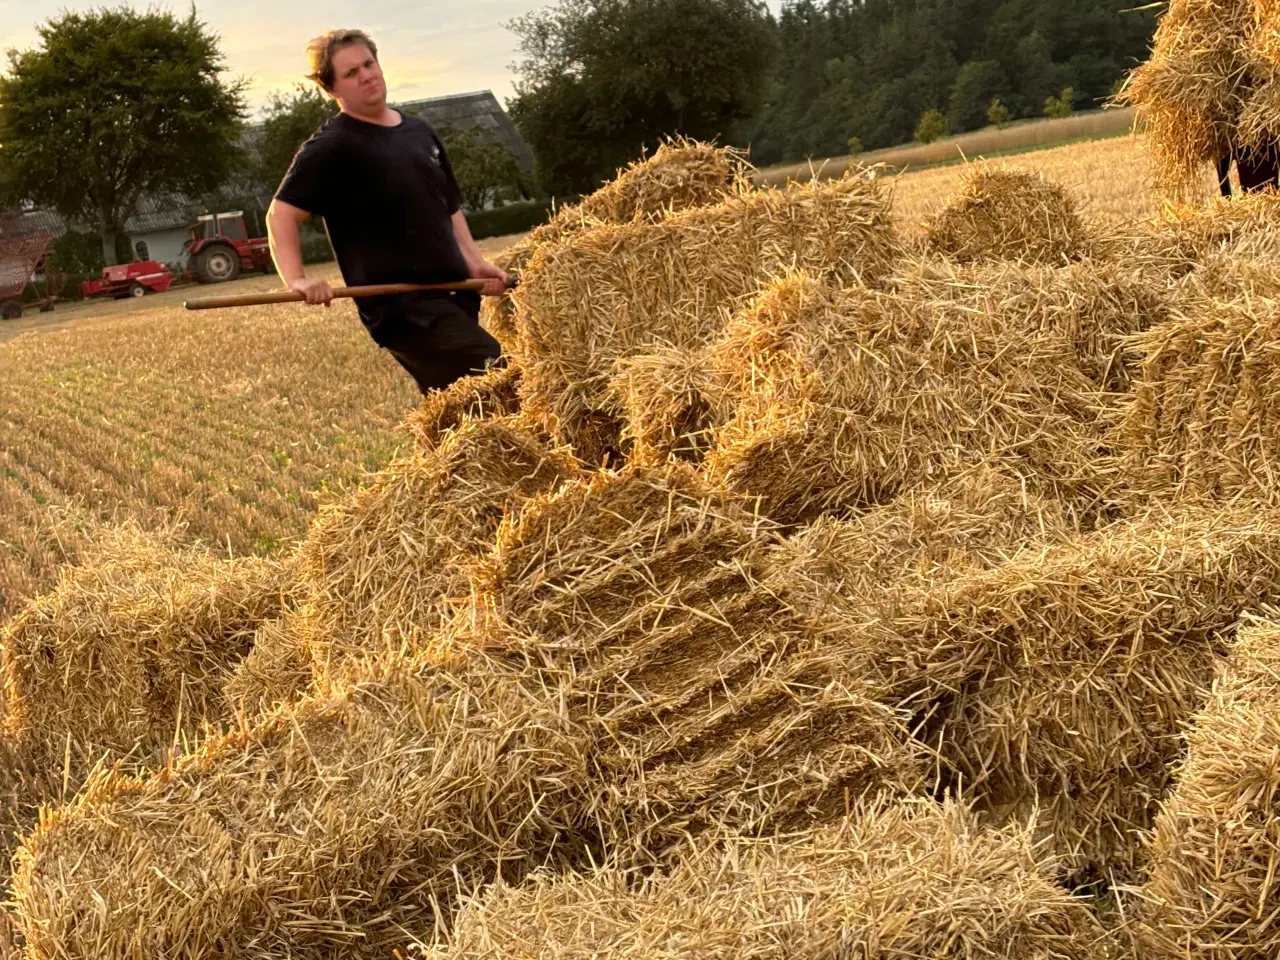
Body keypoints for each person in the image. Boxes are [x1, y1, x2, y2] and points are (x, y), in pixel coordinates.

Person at [266, 29, 509, 395]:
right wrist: (296, 279)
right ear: (331, 89)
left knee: (470, 412)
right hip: (403, 310)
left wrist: (474, 262)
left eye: (369, 63)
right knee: (502, 378)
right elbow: (280, 215)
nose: (367, 75)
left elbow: (450, 207)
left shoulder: (419, 131)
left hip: (452, 295)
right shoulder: (333, 147)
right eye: (351, 73)